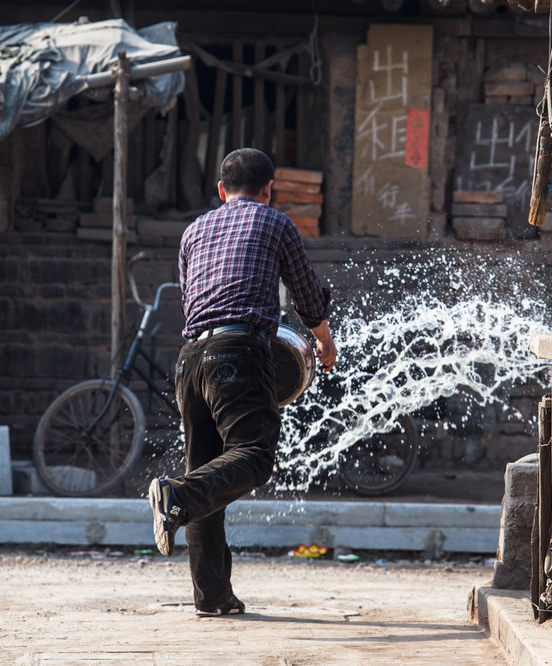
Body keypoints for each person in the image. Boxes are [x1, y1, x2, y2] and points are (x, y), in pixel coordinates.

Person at [149, 147, 337, 617]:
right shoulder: (276, 224)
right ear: (269, 190)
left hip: (190, 361)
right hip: (238, 353)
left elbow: (192, 300)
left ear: (220, 191)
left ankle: (213, 597)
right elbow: (308, 298)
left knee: (207, 472)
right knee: (253, 457)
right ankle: (176, 496)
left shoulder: (193, 231)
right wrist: (325, 346)